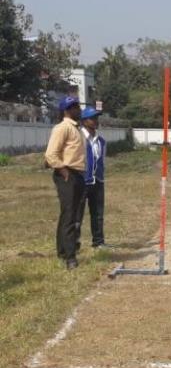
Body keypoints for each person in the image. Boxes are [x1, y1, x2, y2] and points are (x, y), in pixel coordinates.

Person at [44, 96, 87, 270]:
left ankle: (63, 251)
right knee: (69, 215)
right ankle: (70, 257)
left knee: (71, 214)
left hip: (78, 174)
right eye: (74, 107)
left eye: (78, 106)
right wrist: (63, 171)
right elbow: (50, 154)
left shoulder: (76, 128)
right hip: (67, 174)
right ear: (66, 111)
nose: (78, 109)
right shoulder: (62, 128)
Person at [80, 107, 108, 249]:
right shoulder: (78, 138)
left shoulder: (101, 141)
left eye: (96, 118)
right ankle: (74, 245)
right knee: (77, 214)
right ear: (84, 121)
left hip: (98, 181)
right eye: (92, 118)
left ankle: (98, 242)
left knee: (98, 213)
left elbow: (102, 160)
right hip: (82, 181)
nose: (96, 121)